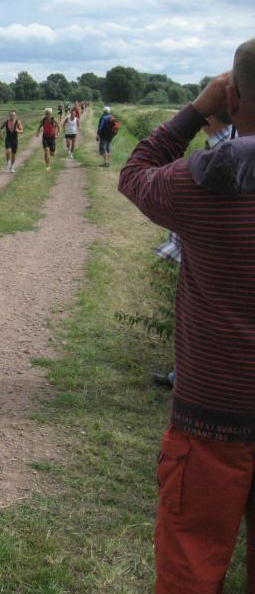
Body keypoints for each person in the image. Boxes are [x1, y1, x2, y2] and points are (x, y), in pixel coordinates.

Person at [117, 38, 255, 593]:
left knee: (191, 570)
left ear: (233, 98)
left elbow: (135, 172)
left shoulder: (204, 184)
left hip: (212, 417)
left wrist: (196, 110)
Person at [151, 113, 236, 389]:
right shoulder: (227, 142)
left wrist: (192, 114)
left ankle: (193, 380)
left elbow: (138, 173)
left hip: (219, 254)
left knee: (206, 319)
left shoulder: (228, 146)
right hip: (217, 250)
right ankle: (185, 375)